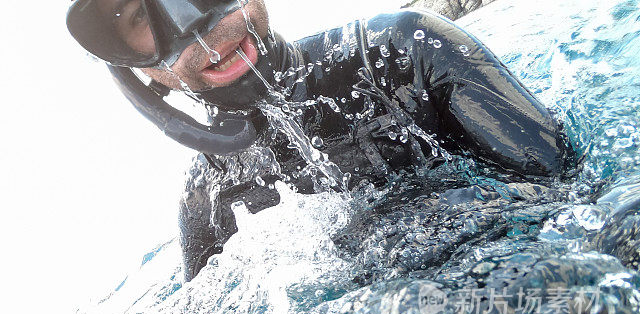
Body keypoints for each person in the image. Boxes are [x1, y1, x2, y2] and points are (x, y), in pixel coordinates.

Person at [66, 0, 576, 280]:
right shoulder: (208, 198)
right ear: (137, 70)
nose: (194, 22)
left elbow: (572, 195)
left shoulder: (402, 50)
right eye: (141, 18)